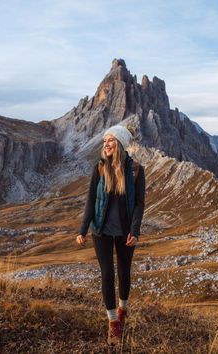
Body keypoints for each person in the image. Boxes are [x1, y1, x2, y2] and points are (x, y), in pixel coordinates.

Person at [76, 124, 145, 346]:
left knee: (124, 273)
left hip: (125, 232)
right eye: (105, 140)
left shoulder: (135, 170)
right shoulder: (98, 168)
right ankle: (113, 322)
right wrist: (83, 229)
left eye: (111, 140)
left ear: (121, 144)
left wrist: (134, 231)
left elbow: (139, 204)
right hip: (101, 231)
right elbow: (90, 201)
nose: (106, 144)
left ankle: (123, 309)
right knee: (107, 274)